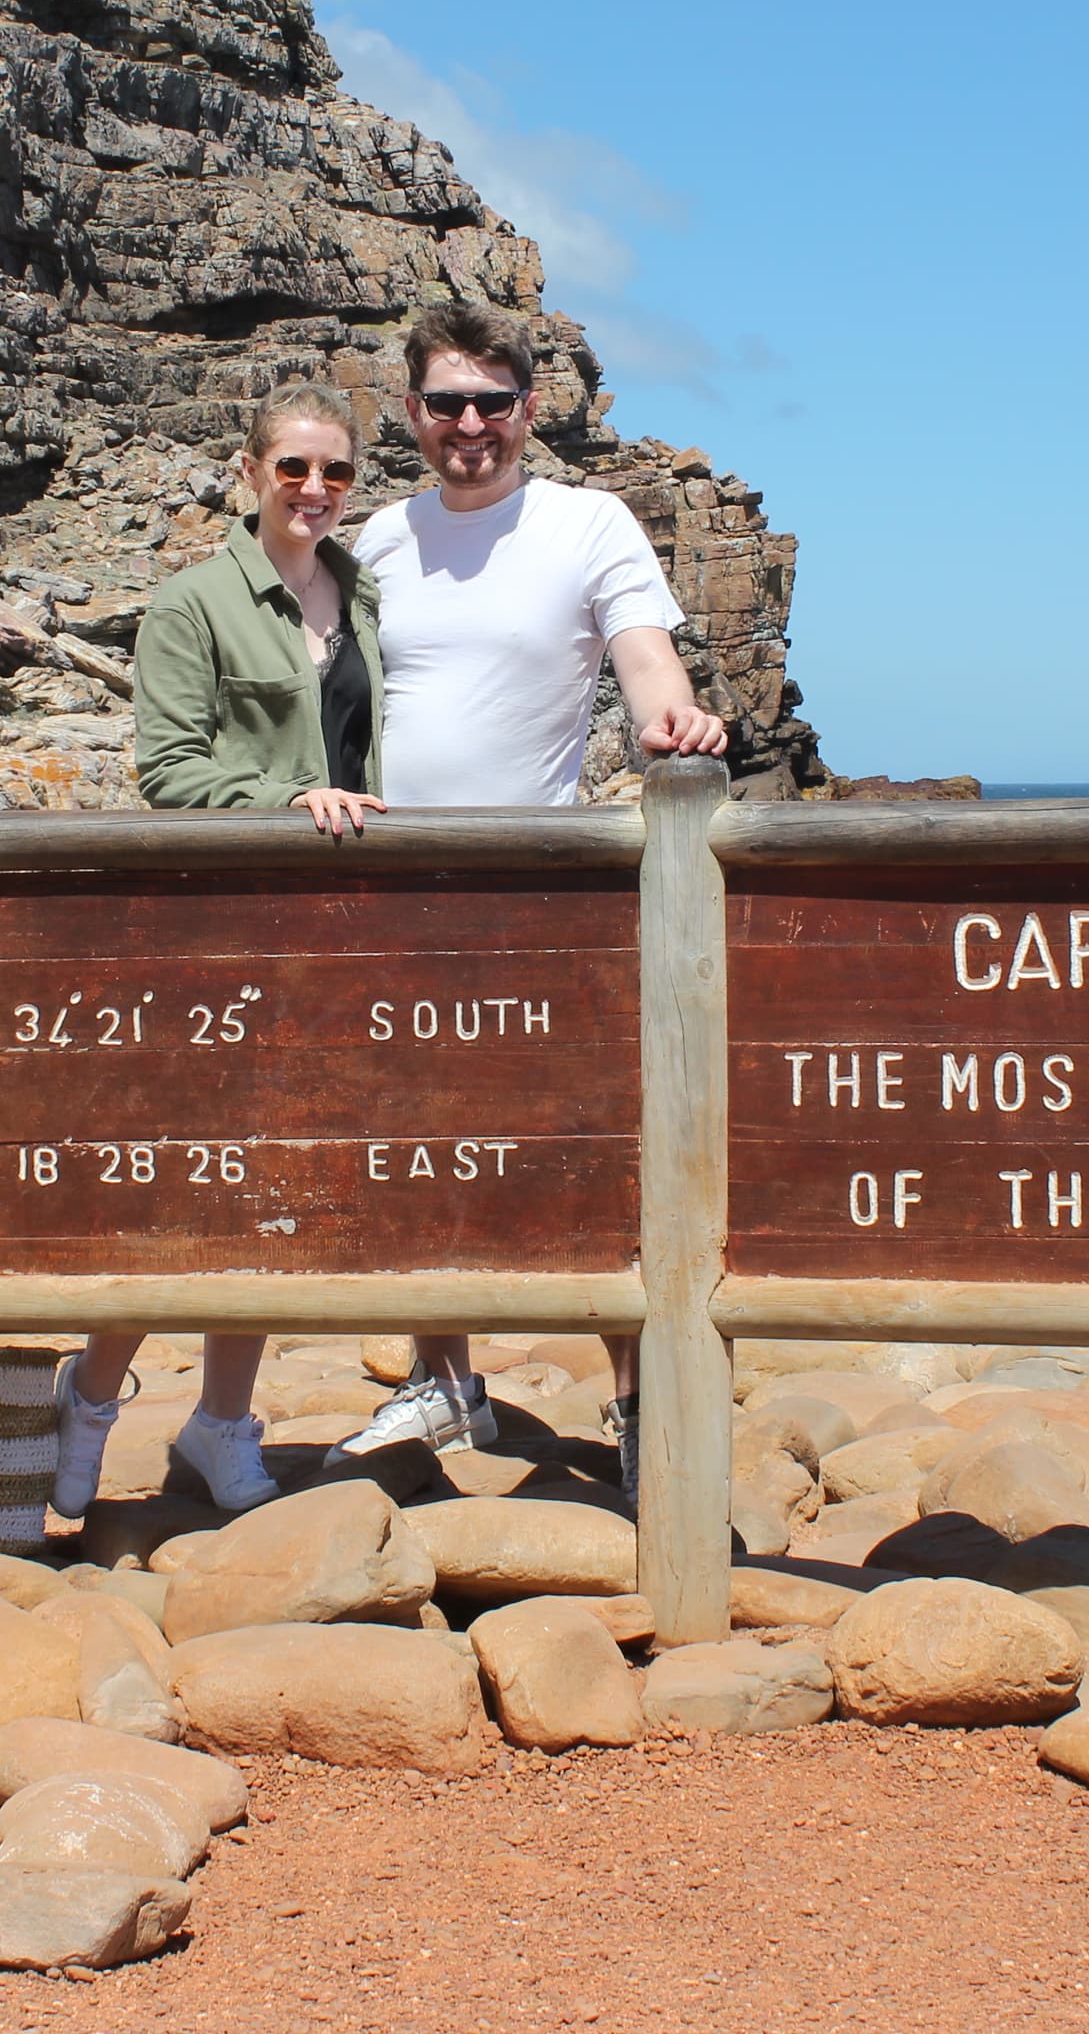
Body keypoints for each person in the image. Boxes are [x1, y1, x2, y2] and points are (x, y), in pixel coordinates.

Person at [340, 302, 728, 1484]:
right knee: (419, 1136)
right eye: (447, 402)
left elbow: (644, 655)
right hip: (393, 892)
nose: (471, 425)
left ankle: (638, 1402)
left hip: (541, 892)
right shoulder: (376, 540)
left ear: (529, 408)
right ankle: (445, 1379)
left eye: (493, 402)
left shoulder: (586, 520)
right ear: (411, 412)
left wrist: (674, 719)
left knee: (590, 1141)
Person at [48, 381, 388, 1523]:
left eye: (335, 471)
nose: (314, 490)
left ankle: (221, 1421)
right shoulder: (193, 603)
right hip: (222, 928)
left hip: (334, 935)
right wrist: (289, 795)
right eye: (293, 467)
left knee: (278, 1187)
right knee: (193, 1187)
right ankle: (88, 1397)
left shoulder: (365, 598)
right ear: (250, 473)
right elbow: (167, 767)